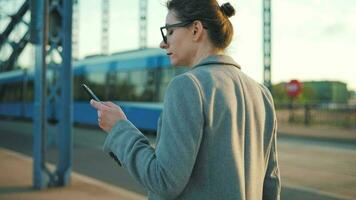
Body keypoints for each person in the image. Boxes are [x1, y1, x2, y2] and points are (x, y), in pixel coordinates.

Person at [90, 0, 281, 199]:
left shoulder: (188, 86)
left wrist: (119, 128)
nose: (163, 43)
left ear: (196, 30)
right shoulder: (262, 93)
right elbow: (271, 184)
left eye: (170, 31)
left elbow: (163, 181)